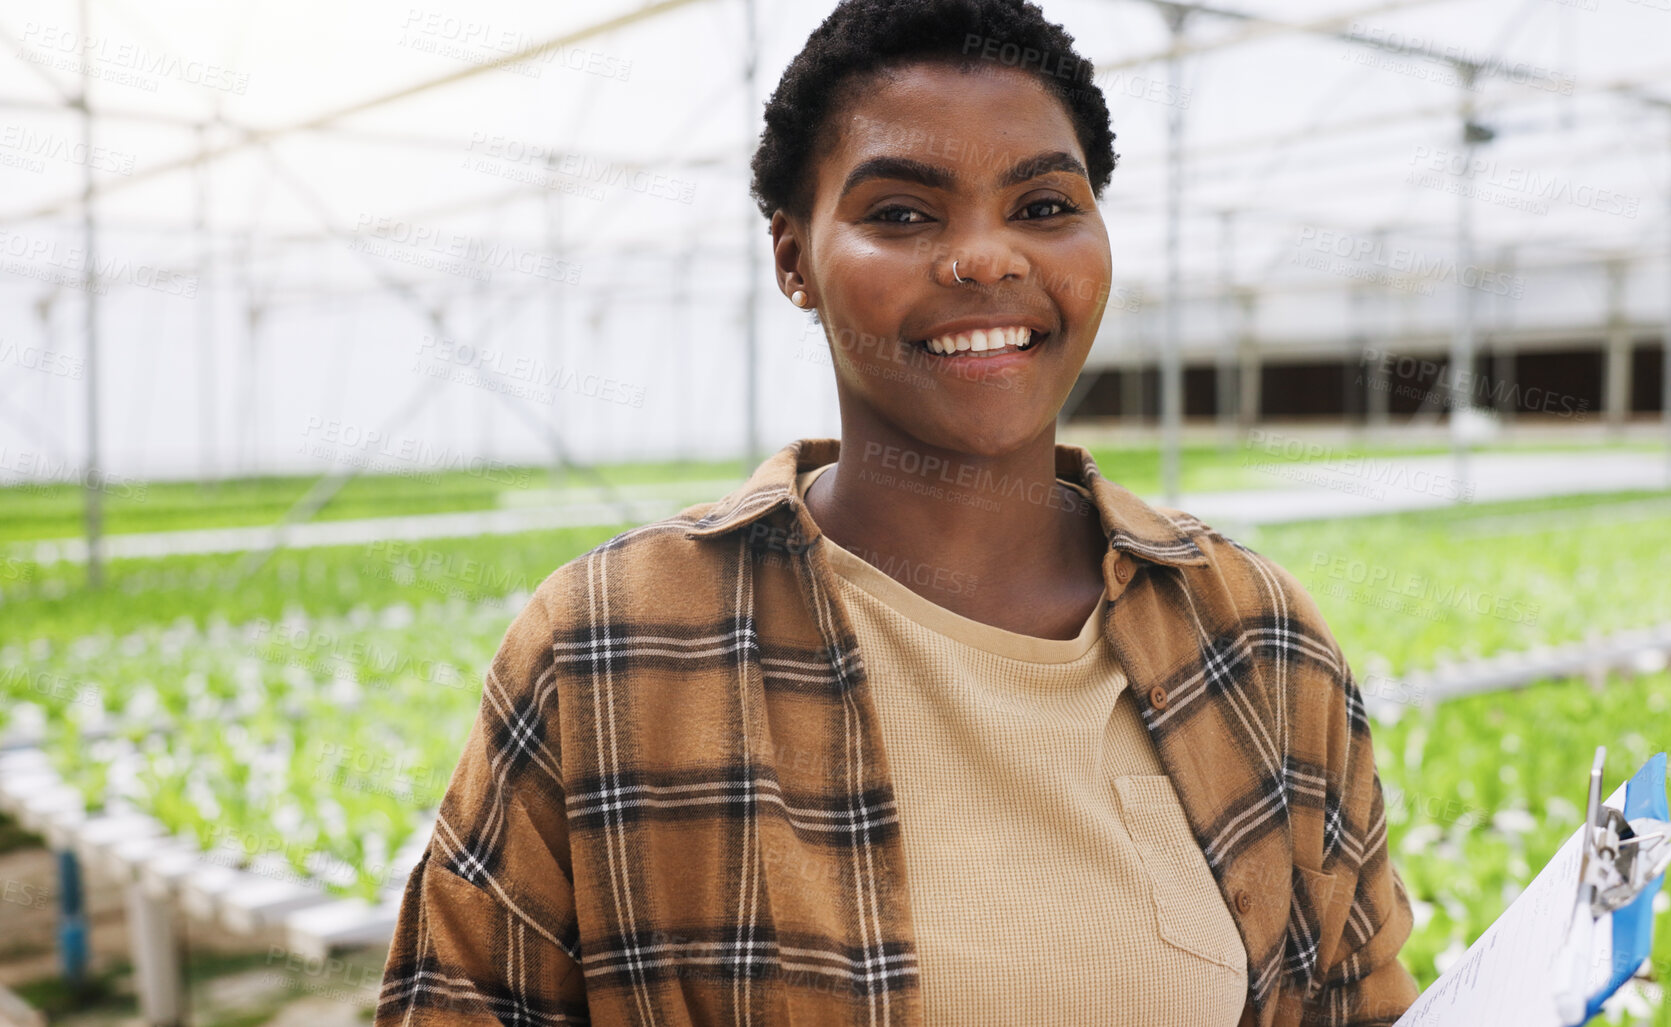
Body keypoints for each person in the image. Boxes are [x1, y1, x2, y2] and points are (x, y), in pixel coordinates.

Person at [374, 1, 1417, 1023]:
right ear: (795, 259)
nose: (985, 258)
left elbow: (1358, 1001)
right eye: (903, 214)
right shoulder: (612, 643)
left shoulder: (1255, 636)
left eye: (1045, 206)